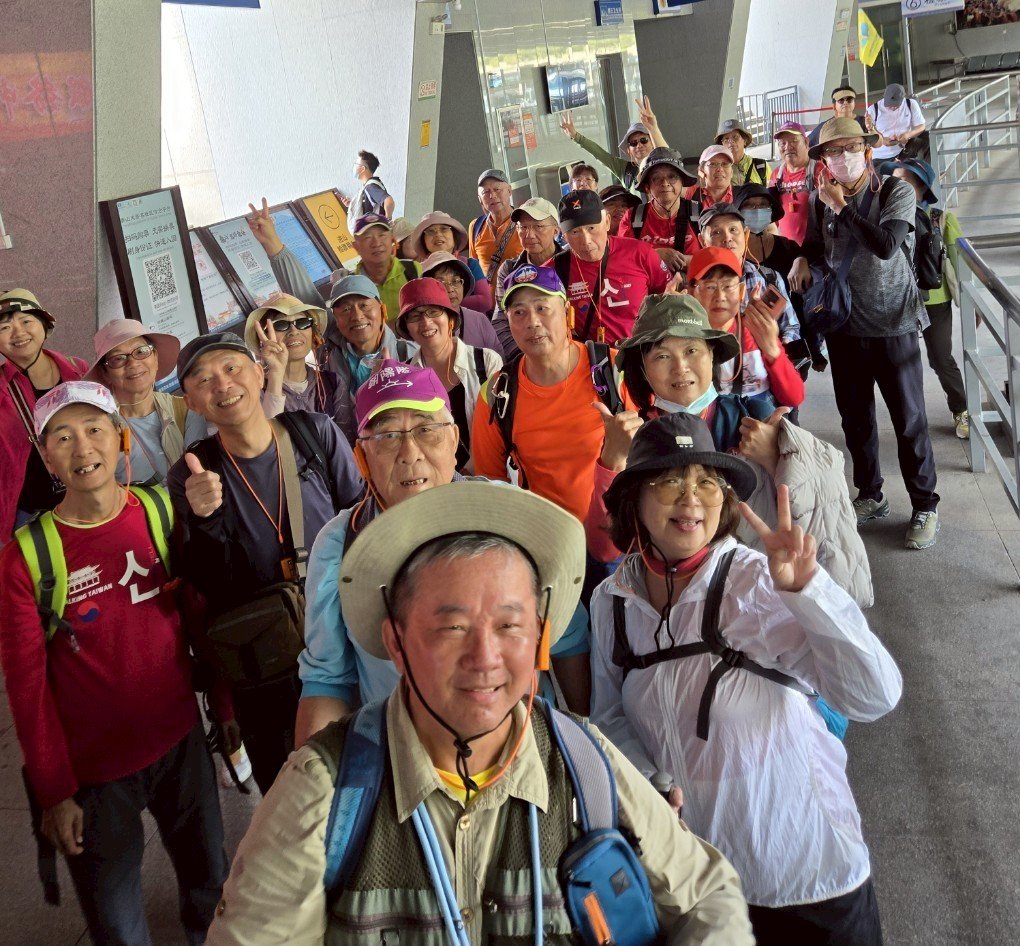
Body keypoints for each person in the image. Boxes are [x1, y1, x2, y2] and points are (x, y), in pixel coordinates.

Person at [206, 480, 754, 945]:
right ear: (395, 643)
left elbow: (707, 894)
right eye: (452, 627)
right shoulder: (325, 795)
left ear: (539, 634)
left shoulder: (584, 765)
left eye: (510, 625)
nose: (485, 659)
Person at [590, 412, 901, 945]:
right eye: (670, 482)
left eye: (707, 484)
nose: (692, 499)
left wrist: (809, 592)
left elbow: (874, 695)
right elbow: (609, 714)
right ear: (635, 499)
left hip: (809, 878)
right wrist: (650, 781)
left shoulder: (753, 582)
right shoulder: (611, 602)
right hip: (702, 890)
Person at [0, 381, 227, 945]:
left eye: (95, 429)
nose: (83, 449)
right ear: (46, 454)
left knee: (213, 887)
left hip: (182, 742)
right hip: (96, 775)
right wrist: (55, 792)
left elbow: (196, 610)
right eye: (64, 437)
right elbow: (27, 687)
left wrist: (221, 708)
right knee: (117, 923)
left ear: (121, 439)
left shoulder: (155, 509)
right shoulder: (27, 558)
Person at [295, 362, 592, 745]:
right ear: (360, 457)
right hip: (403, 756)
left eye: (426, 430)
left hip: (521, 741)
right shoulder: (340, 544)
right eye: (386, 437)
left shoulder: (511, 515)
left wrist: (580, 746)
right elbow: (327, 679)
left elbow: (566, 637)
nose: (409, 453)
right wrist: (312, 787)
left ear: (454, 439)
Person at [167, 332, 363, 794]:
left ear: (260, 373)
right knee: (288, 785)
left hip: (339, 632)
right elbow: (215, 587)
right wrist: (205, 518)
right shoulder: (190, 474)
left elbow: (361, 524)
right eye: (203, 379)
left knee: (362, 770)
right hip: (262, 655)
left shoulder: (314, 433)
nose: (222, 384)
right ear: (191, 402)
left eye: (232, 368)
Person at [613, 295, 872, 606]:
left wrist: (776, 460)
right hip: (675, 603)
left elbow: (821, 515)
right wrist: (612, 461)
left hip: (758, 598)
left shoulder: (754, 418)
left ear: (712, 355)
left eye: (692, 350)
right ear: (643, 369)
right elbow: (610, 548)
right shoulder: (636, 438)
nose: (680, 367)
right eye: (662, 357)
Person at [789, 117, 940, 549]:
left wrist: (842, 207)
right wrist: (803, 257)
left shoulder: (896, 192)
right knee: (856, 419)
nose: (841, 158)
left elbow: (885, 245)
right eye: (832, 152)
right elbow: (819, 245)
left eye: (849, 148)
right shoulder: (823, 202)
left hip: (894, 324)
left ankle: (925, 503)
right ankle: (870, 494)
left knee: (909, 420)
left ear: (868, 151)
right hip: (845, 326)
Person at [471, 265, 640, 603]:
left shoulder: (613, 370)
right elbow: (491, 484)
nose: (531, 321)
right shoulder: (498, 393)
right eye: (518, 312)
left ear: (566, 313)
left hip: (620, 539)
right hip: (547, 548)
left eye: (542, 307)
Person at [888, 156, 969, 439]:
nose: (895, 186)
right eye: (893, 180)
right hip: (898, 300)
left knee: (940, 359)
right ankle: (910, 421)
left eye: (904, 181)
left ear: (921, 188)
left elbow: (960, 264)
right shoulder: (887, 218)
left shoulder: (942, 219)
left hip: (935, 301)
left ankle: (962, 410)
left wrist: (971, 305)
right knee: (901, 363)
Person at [0, 288, 88, 538]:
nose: (18, 333)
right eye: (4, 328)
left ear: (44, 324)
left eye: (26, 321)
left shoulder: (77, 369)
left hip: (85, 497)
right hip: (29, 512)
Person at [395, 278, 503, 470]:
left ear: (450, 319)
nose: (426, 322)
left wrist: (467, 473)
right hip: (439, 485)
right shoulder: (405, 379)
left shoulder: (486, 362)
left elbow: (501, 429)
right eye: (415, 316)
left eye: (434, 312)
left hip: (491, 475)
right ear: (407, 328)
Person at [85, 319, 207, 486]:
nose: (133, 363)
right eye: (118, 359)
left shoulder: (186, 410)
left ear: (155, 358)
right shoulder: (96, 429)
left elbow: (200, 476)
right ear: (105, 373)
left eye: (141, 351)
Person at [687, 246, 805, 413]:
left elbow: (794, 398)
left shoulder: (757, 331)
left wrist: (771, 348)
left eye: (728, 287)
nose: (720, 297)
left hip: (757, 428)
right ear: (692, 292)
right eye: (710, 287)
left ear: (741, 291)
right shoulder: (682, 339)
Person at [557, 188, 671, 344]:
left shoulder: (640, 253)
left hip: (642, 352)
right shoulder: (555, 269)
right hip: (594, 360)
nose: (586, 240)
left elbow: (666, 295)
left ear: (607, 222)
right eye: (575, 232)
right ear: (564, 236)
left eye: (592, 228)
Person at [316, 274, 416, 442]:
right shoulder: (328, 356)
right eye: (346, 309)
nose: (356, 316)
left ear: (383, 310)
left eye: (364, 305)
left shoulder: (409, 355)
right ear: (335, 318)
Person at [697, 205, 803, 354]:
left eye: (733, 230)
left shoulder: (769, 278)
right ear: (702, 241)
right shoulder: (694, 288)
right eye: (716, 232)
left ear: (746, 235)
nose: (727, 238)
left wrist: (776, 346)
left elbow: (791, 327)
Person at [241, 295, 345, 424]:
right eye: (281, 325)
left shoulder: (333, 383)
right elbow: (268, 439)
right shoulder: (254, 392)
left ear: (314, 334)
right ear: (263, 338)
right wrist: (276, 375)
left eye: (302, 322)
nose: (294, 331)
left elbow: (348, 437)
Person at [491, 197, 563, 356]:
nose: (529, 234)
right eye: (523, 227)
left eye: (538, 226)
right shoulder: (509, 269)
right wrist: (525, 357)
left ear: (556, 231)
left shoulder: (571, 263)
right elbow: (501, 321)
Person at [559, 95, 669, 191]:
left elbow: (666, 155)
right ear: (628, 151)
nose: (639, 145)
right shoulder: (625, 170)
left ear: (653, 142)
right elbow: (599, 154)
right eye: (633, 143)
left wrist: (653, 129)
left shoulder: (665, 164)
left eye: (644, 140)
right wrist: (575, 136)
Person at [617, 148, 700, 275]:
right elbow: (623, 260)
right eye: (656, 178)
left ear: (682, 182)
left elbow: (714, 260)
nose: (665, 183)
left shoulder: (699, 213)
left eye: (672, 177)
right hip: (647, 292)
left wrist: (673, 259)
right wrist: (655, 255)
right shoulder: (633, 217)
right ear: (647, 187)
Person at [419, 251, 505, 357]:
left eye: (455, 281)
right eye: (440, 283)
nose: (450, 289)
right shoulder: (420, 325)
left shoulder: (479, 320)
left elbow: (499, 361)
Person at [406, 211, 492, 313]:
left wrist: (440, 301)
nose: (438, 234)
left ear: (454, 235)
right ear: (423, 241)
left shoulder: (470, 264)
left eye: (444, 229)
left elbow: (485, 302)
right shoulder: (416, 270)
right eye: (430, 231)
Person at [351, 213, 422, 322]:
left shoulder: (414, 271)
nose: (376, 243)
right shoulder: (351, 285)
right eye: (367, 237)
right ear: (356, 246)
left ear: (392, 240)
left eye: (382, 235)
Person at [467, 168, 524, 296]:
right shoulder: (475, 227)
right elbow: (473, 270)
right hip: (488, 307)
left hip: (519, 299)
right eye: (485, 192)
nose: (492, 196)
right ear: (480, 199)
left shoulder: (524, 223)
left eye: (497, 189)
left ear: (509, 190)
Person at [769, 121, 818, 245]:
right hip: (789, 251)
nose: (787, 147)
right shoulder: (776, 175)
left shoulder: (819, 170)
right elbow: (772, 215)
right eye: (782, 143)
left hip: (817, 252)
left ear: (806, 142)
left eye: (794, 141)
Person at [867, 83, 926, 167]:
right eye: (889, 104)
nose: (893, 107)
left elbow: (921, 126)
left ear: (903, 98)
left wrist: (908, 135)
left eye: (896, 105)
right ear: (884, 97)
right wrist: (882, 140)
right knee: (884, 177)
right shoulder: (873, 110)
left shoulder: (911, 104)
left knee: (926, 138)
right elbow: (869, 133)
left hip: (904, 150)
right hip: (880, 156)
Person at [342, 149, 394, 228]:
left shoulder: (371, 187)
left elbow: (389, 202)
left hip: (374, 234)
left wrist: (387, 224)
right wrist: (352, 204)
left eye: (356, 164)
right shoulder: (370, 185)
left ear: (362, 168)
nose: (354, 166)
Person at [807, 85, 868, 150]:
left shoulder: (865, 122)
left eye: (849, 99)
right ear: (834, 106)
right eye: (841, 100)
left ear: (854, 103)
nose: (845, 102)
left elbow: (878, 144)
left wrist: (871, 129)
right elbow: (807, 144)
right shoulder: (827, 126)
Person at [715, 117, 770, 185]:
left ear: (745, 141)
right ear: (722, 145)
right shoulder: (719, 170)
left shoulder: (761, 166)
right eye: (726, 139)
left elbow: (771, 192)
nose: (731, 142)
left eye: (735, 137)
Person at [685, 145, 735, 211]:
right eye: (712, 164)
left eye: (725, 164)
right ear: (702, 170)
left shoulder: (743, 195)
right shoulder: (692, 194)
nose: (720, 169)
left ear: (731, 172)